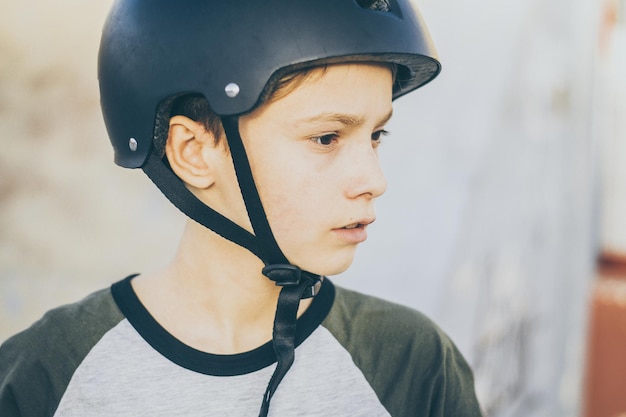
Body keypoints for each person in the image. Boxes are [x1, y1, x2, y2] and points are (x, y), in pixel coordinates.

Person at [0, 0, 483, 416]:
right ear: (193, 151)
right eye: (326, 137)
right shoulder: (45, 375)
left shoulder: (413, 363)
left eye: (376, 135)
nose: (374, 182)